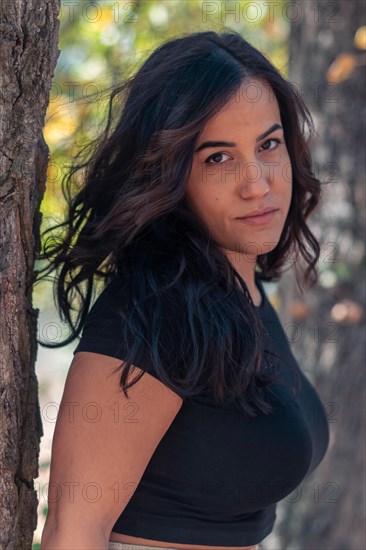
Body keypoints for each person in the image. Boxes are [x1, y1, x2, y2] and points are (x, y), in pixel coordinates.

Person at [38, 29, 330, 550]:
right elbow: (73, 531)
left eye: (268, 144)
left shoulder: (238, 290)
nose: (257, 182)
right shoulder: (149, 316)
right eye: (218, 158)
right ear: (171, 173)